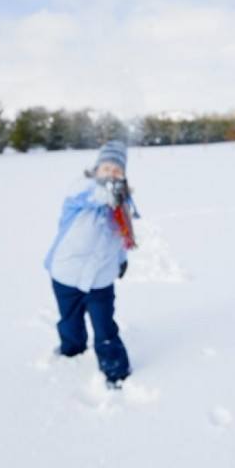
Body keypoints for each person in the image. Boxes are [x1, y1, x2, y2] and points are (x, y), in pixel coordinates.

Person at [43, 140, 137, 388]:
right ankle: (72, 351)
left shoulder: (121, 205)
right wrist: (107, 194)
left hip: (100, 279)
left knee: (105, 326)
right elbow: (89, 196)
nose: (112, 174)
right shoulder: (80, 192)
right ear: (96, 170)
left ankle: (116, 370)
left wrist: (121, 261)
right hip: (67, 274)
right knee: (70, 321)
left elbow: (120, 239)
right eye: (107, 168)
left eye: (118, 171)